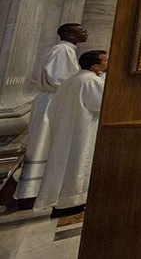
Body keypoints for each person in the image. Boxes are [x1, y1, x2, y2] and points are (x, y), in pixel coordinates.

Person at [16, 23, 86, 209]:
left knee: (49, 143)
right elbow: (59, 79)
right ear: (70, 35)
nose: (85, 33)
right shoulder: (62, 50)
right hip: (54, 102)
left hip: (55, 100)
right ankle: (32, 191)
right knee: (44, 144)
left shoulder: (65, 50)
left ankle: (42, 189)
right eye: (81, 31)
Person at [34, 50, 107, 217]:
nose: (108, 63)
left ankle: (65, 201)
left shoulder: (73, 79)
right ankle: (72, 201)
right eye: (105, 61)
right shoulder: (90, 80)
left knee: (66, 165)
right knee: (79, 163)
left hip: (68, 129)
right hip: (83, 130)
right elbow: (101, 104)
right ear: (95, 66)